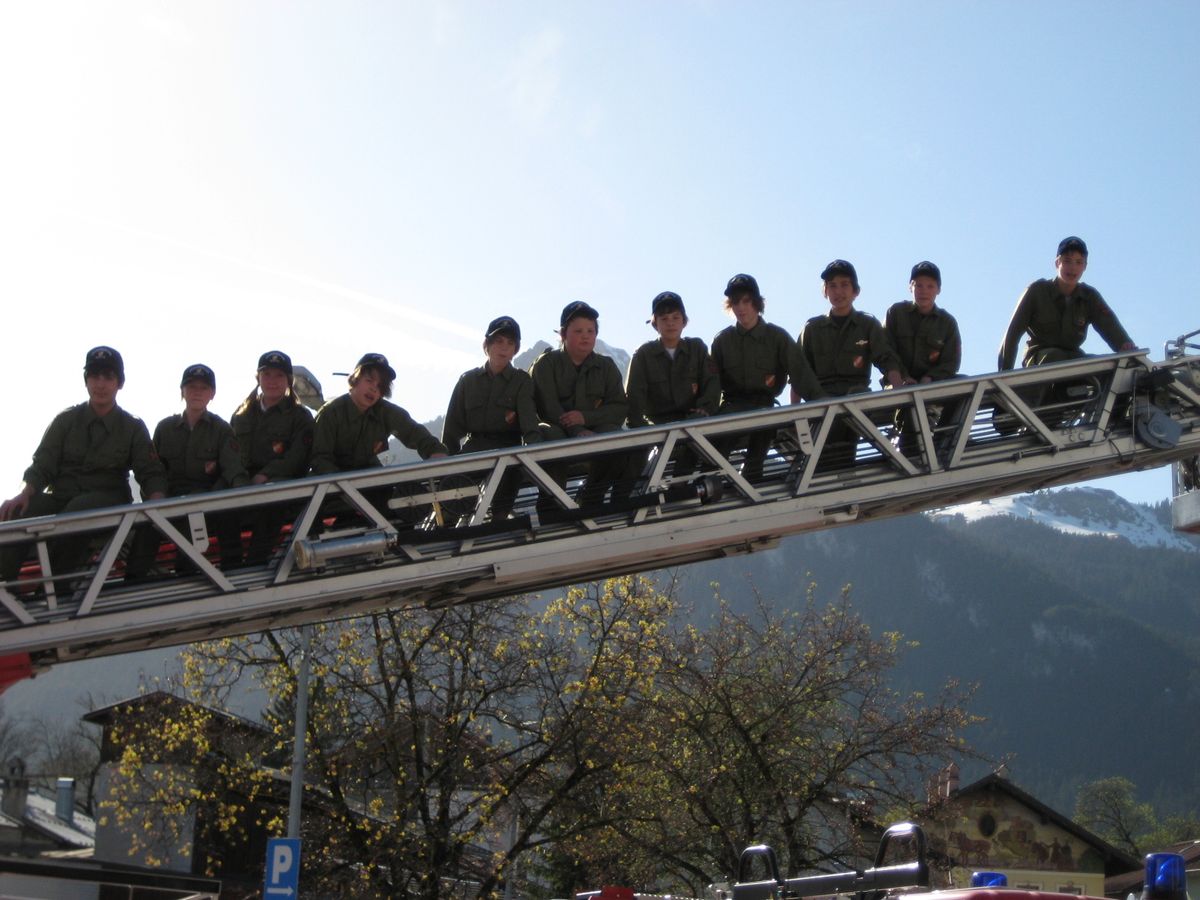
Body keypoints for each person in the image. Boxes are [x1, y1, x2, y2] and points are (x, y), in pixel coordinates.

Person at [0, 346, 167, 590]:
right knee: (15, 514)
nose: (100, 384)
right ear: (86, 380)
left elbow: (150, 473)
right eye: (94, 376)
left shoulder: (131, 427)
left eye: (108, 377)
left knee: (78, 511)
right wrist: (25, 493)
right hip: (63, 497)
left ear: (119, 383)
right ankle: (7, 589)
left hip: (108, 501)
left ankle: (54, 589)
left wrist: (157, 502)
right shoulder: (66, 421)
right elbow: (43, 464)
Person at [126, 364, 250, 576]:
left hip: (207, 502)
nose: (197, 392)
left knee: (222, 520)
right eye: (191, 386)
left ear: (212, 394)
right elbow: (154, 470)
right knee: (145, 528)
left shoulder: (221, 430)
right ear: (182, 391)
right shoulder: (165, 428)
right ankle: (133, 583)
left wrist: (233, 497)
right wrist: (157, 498)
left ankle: (227, 575)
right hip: (170, 500)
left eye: (203, 388)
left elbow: (232, 470)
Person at [311, 353, 447, 527]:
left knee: (404, 510)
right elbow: (320, 459)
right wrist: (346, 487)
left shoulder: (385, 412)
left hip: (372, 487)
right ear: (355, 380)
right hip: (331, 491)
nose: (374, 389)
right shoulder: (331, 413)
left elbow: (417, 435)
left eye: (381, 385)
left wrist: (436, 453)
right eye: (369, 380)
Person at [711, 273, 819, 482]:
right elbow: (712, 384)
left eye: (746, 301)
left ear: (757, 303)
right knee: (717, 446)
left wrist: (822, 402)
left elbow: (801, 374)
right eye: (735, 302)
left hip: (764, 406)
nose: (741, 308)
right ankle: (717, 484)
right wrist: (706, 410)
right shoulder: (722, 341)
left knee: (763, 434)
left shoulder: (777, 337)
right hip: (732, 408)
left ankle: (752, 479)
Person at [796, 260, 903, 467]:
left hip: (856, 401)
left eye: (845, 285)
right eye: (832, 285)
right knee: (823, 465)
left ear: (856, 291)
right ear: (825, 291)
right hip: (821, 402)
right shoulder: (812, 328)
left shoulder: (867, 325)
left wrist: (899, 388)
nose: (839, 291)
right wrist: (795, 414)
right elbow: (799, 373)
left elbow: (886, 359)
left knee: (844, 457)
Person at [530, 301, 632, 506]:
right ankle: (553, 506)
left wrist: (587, 418)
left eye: (591, 331)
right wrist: (577, 429)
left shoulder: (606, 367)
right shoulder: (546, 364)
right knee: (550, 436)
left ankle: (592, 497)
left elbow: (619, 408)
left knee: (617, 438)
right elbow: (547, 407)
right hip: (556, 429)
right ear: (563, 334)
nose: (585, 336)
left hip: (594, 430)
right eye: (578, 331)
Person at [442, 317, 542, 519]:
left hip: (508, 449)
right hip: (474, 449)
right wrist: (446, 465)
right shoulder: (468, 381)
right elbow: (452, 430)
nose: (504, 347)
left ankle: (499, 522)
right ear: (486, 345)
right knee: (452, 493)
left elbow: (530, 424)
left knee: (509, 479)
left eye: (510, 343)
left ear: (516, 350)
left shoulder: (521, 381)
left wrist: (533, 454)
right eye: (498, 341)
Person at [998, 236, 1136, 370]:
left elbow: (1111, 327)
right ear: (1057, 263)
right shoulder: (1037, 291)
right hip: (1040, 361)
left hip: (1073, 361)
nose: (1073, 268)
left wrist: (1127, 349)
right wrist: (1004, 376)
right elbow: (1012, 335)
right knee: (1055, 358)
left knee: (1102, 366)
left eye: (1078, 262)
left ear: (1085, 266)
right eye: (1067, 261)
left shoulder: (1089, 297)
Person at [230, 351, 315, 563]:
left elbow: (298, 459)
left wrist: (265, 475)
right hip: (243, 481)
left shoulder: (300, 416)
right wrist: (240, 481)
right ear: (258, 378)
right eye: (266, 374)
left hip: (281, 482)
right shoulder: (241, 415)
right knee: (218, 500)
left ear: (288, 381)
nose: (272, 381)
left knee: (273, 497)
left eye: (279, 376)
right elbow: (229, 454)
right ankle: (228, 565)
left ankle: (256, 563)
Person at [625, 291, 721, 477]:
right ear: (655, 324)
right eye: (664, 318)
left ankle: (684, 486)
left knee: (696, 437)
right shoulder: (643, 355)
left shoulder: (697, 349)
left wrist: (705, 408)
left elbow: (712, 383)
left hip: (691, 420)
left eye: (676, 317)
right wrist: (643, 429)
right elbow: (633, 398)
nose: (670, 323)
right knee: (636, 463)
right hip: (657, 424)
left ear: (684, 321)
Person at [884, 261, 964, 456]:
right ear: (910, 287)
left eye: (930, 286)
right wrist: (902, 376)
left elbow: (951, 363)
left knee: (965, 385)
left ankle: (943, 441)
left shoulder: (947, 323)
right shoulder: (896, 313)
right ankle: (911, 450)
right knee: (911, 397)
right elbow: (885, 351)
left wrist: (930, 378)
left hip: (932, 384)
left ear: (938, 290)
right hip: (899, 383)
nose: (923, 291)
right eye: (918, 285)